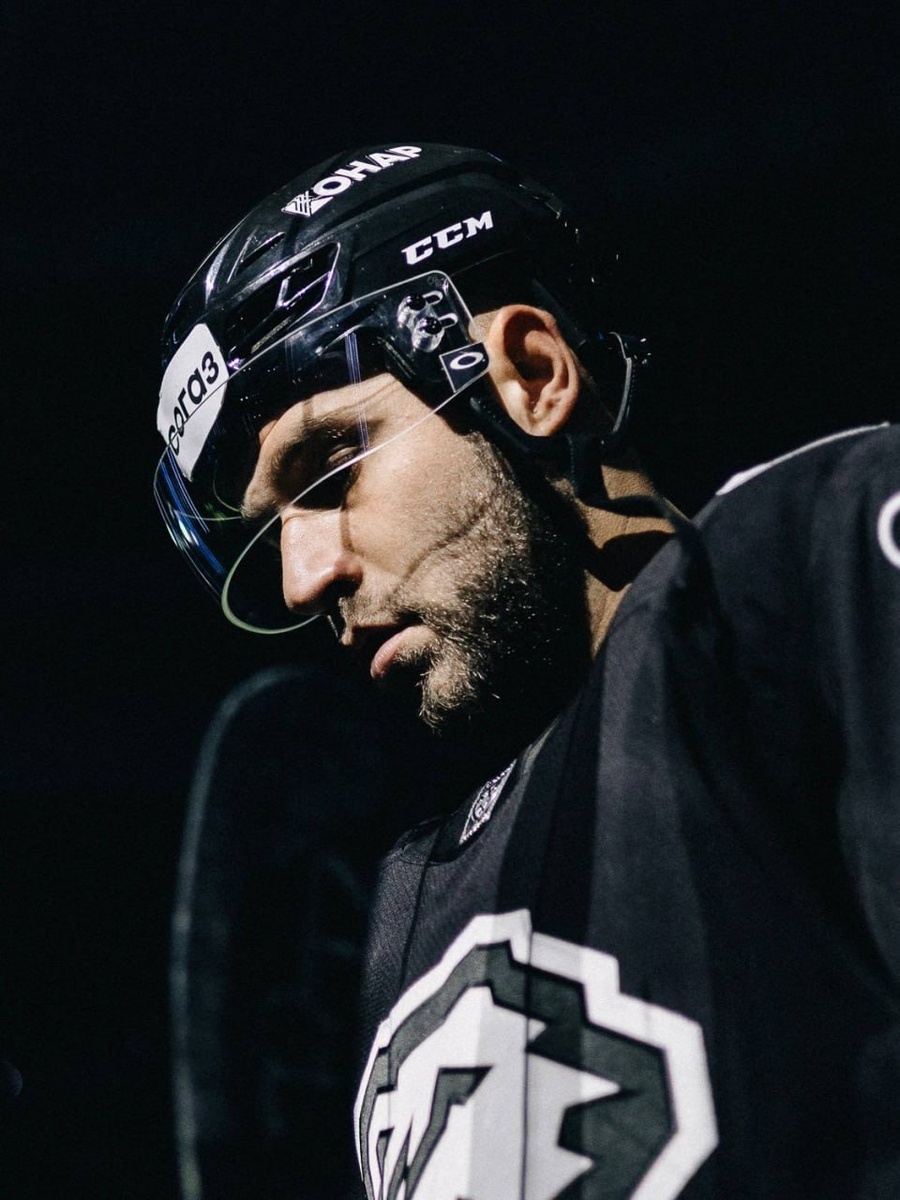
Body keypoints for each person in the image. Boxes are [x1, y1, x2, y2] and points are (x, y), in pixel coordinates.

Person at [154, 143, 900, 1199]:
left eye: (329, 468)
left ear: (532, 376)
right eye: (270, 533)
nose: (303, 577)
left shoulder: (807, 556)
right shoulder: (396, 911)